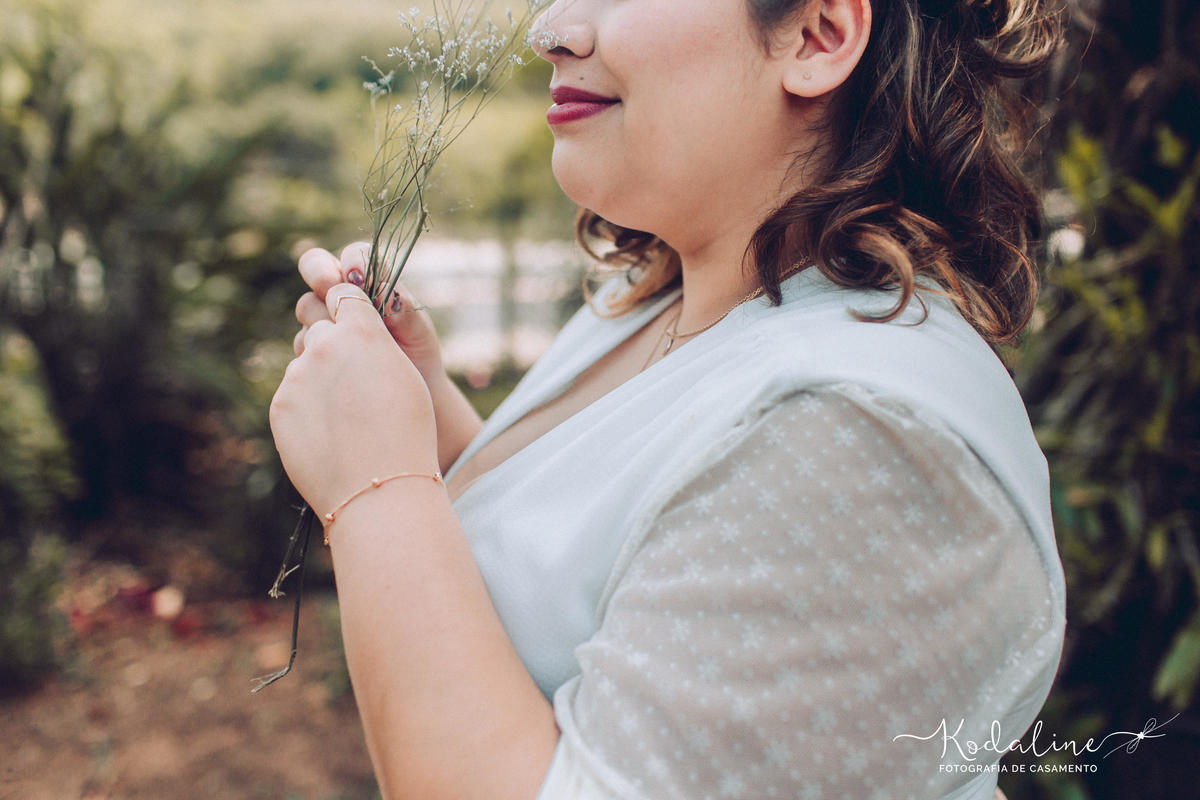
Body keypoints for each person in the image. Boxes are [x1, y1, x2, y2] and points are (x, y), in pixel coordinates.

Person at [269, 0, 1068, 797]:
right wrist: (425, 421)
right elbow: (591, 579)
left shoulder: (860, 429)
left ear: (818, 35)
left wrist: (379, 490)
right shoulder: (654, 299)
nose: (549, 30)